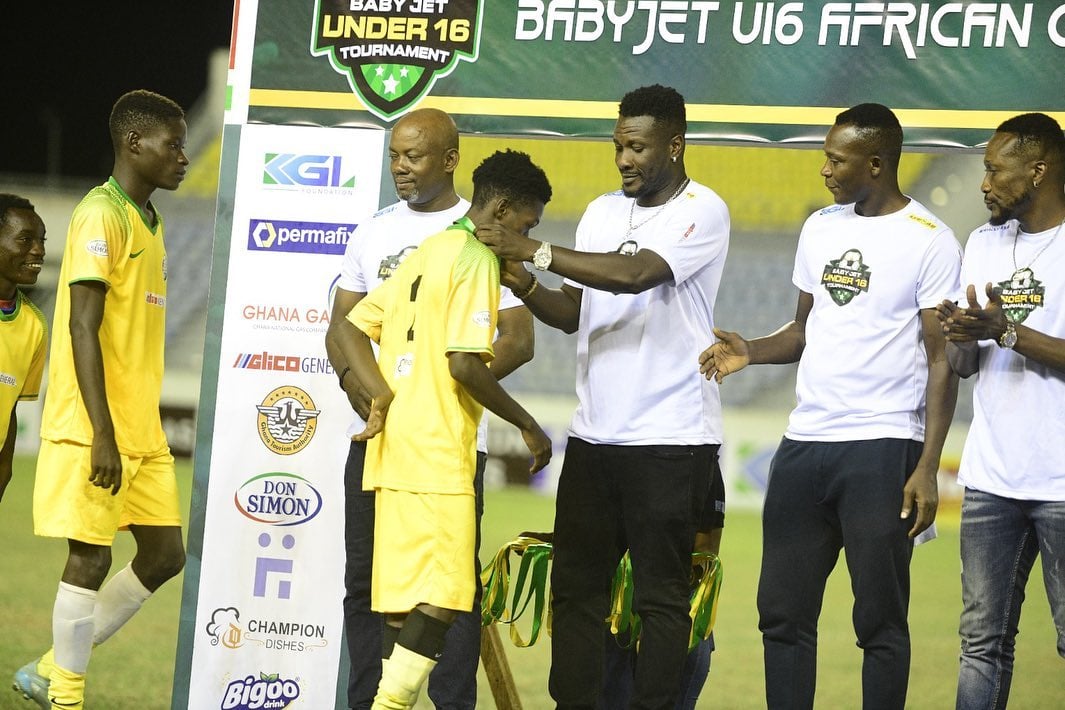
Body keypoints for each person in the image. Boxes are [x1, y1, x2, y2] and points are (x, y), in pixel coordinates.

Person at [477, 84, 730, 709]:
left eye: (637, 147)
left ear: (675, 145)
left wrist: (533, 249)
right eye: (618, 146)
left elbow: (637, 274)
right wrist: (526, 284)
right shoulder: (600, 212)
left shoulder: (704, 209)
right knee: (574, 592)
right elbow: (575, 312)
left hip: (670, 438)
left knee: (660, 598)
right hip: (594, 437)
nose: (623, 159)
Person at [699, 103, 961, 709]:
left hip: (882, 446)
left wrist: (926, 465)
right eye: (825, 157)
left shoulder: (930, 240)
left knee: (879, 622)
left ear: (876, 164)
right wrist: (752, 351)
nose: (824, 170)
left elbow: (941, 359)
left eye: (836, 160)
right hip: (804, 445)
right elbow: (802, 330)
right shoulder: (820, 227)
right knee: (781, 614)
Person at [324, 108, 535, 710]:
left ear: (450, 160)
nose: (400, 167)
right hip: (377, 441)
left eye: (413, 156)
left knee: (450, 594)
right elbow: (342, 329)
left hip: (448, 443)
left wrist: (431, 391)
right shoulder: (374, 232)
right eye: (395, 155)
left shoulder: (486, 233)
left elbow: (518, 338)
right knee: (369, 585)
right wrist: (369, 394)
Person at [13, 90, 189, 710]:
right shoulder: (100, 214)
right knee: (89, 558)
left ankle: (47, 669)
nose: (184, 157)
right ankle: (66, 695)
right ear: (134, 143)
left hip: (142, 427)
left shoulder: (151, 221)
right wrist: (102, 432)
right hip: (95, 424)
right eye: (173, 145)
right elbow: (81, 326)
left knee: (165, 555)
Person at [935, 112, 1065, 710]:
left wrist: (1006, 331)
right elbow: (965, 366)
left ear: (1037, 170)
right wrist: (961, 334)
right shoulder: (984, 243)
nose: (984, 184)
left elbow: (1006, 334)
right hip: (991, 480)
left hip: (1061, 482)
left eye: (994, 170)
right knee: (981, 646)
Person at [0, 194, 47, 503]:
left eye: (42, 240)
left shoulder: (35, 325)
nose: (38, 250)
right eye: (26, 239)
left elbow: (11, 408)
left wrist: (5, 468)